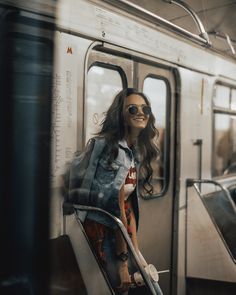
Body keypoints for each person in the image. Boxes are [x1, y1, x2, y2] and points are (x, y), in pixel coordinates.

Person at [69, 88, 160, 294]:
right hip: (102, 233)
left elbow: (127, 206)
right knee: (118, 286)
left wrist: (135, 250)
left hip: (120, 234)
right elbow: (115, 210)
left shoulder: (133, 151)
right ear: (121, 114)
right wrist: (123, 262)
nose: (141, 112)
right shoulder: (113, 151)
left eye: (145, 108)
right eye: (133, 108)